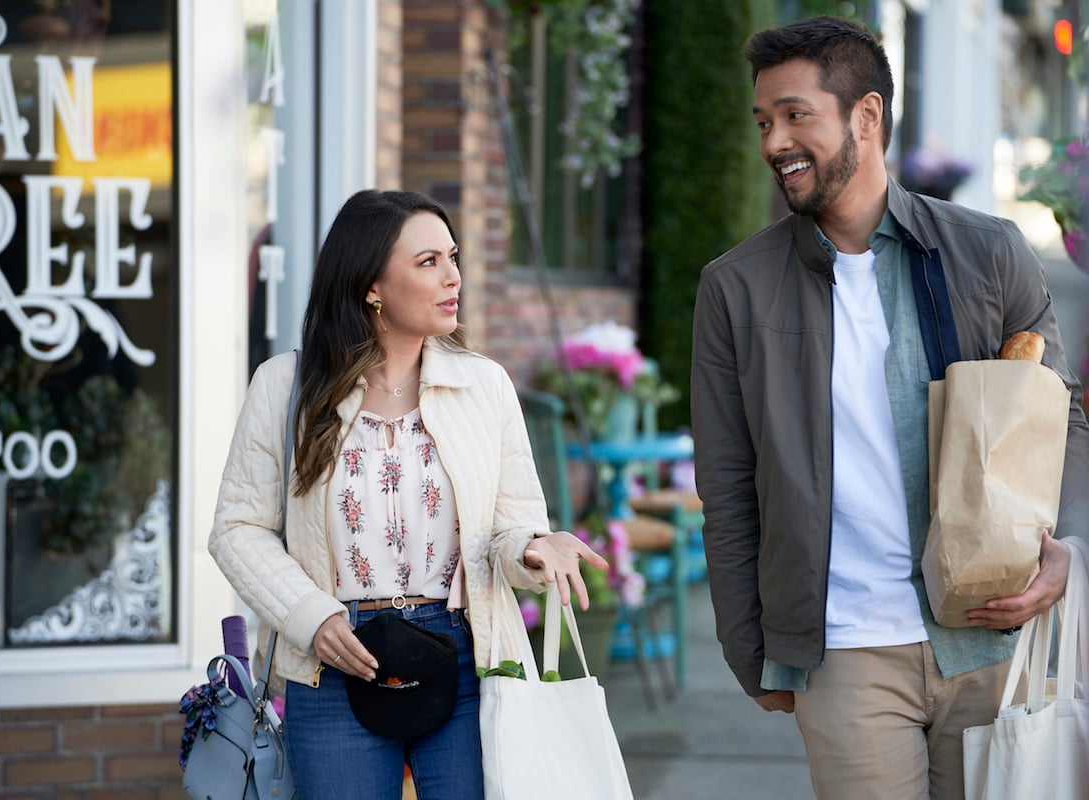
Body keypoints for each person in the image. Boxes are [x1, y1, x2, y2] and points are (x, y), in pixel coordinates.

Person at [689, 15, 1089, 800]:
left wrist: (1072, 546)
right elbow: (728, 484)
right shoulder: (734, 288)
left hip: (991, 631)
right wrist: (749, 646)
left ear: (865, 117)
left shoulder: (990, 251)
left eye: (797, 114)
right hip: (845, 652)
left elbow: (1063, 416)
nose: (774, 141)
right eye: (764, 121)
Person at [209, 188, 608, 800]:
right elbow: (237, 529)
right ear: (371, 285)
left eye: (453, 258)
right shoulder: (284, 387)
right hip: (334, 662)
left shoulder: (485, 386)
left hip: (465, 657)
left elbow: (512, 525)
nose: (453, 277)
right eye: (428, 263)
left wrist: (534, 547)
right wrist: (310, 618)